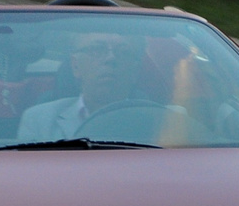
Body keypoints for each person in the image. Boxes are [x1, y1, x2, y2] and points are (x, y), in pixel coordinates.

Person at [16, 32, 146, 142]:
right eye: (97, 50)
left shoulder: (160, 123)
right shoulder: (38, 119)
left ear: (136, 70)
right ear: (75, 66)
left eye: (124, 52)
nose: (111, 58)